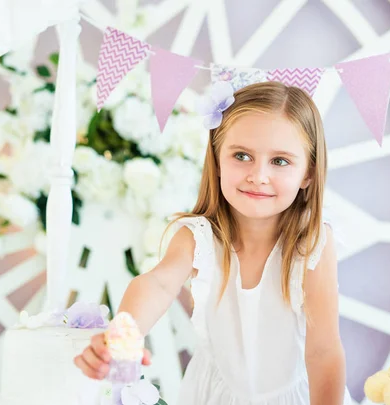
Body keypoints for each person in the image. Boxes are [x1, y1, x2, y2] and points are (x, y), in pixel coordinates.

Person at [75, 81, 353, 405]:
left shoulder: (312, 244)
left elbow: (323, 351)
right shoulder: (198, 236)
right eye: (242, 156)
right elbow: (159, 284)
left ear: (308, 173)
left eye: (280, 161)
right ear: (218, 160)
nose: (258, 175)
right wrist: (123, 335)